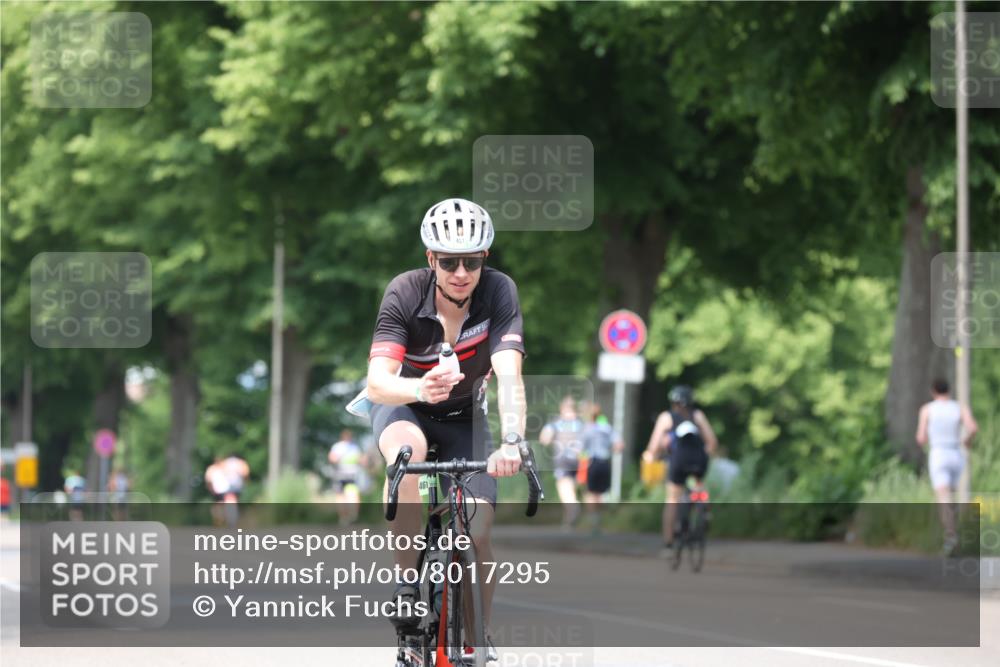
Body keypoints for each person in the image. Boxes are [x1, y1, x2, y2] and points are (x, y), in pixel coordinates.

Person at [365, 197, 527, 662]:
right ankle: (409, 582)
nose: (461, 272)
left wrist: (514, 438)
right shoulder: (404, 291)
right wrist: (418, 387)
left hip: (465, 418)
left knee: (478, 533)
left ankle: (479, 636)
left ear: (485, 261)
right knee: (407, 458)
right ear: (431, 259)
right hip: (406, 408)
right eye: (450, 261)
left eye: (471, 261)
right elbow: (377, 384)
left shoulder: (499, 293)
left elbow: (510, 376)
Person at [642, 385, 718, 552]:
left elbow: (654, 446)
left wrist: (651, 455)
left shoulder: (667, 417)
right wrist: (704, 454)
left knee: (672, 499)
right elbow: (712, 442)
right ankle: (703, 506)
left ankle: (668, 544)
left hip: (678, 460)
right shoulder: (698, 415)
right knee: (698, 483)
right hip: (699, 459)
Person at [916, 378, 978, 554]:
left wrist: (929, 438)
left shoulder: (927, 409)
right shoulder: (959, 407)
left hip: (939, 453)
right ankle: (957, 532)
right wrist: (966, 441)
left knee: (944, 499)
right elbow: (972, 428)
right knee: (953, 497)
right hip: (956, 453)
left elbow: (921, 438)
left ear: (933, 391)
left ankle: (950, 537)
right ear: (948, 390)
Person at [539, 396, 586, 530]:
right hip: (579, 459)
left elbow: (544, 438)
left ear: (562, 409)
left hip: (562, 458)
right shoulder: (581, 423)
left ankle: (573, 505)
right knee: (574, 488)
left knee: (565, 487)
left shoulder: (556, 422)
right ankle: (568, 522)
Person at [580, 404, 624, 533]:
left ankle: (594, 522)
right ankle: (599, 518)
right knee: (600, 493)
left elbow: (580, 448)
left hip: (592, 462)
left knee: (590, 493)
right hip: (605, 462)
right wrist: (609, 450)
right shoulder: (607, 428)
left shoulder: (587, 429)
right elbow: (620, 445)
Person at [328, 429, 364, 525]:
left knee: (346, 496)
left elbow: (332, 458)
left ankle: (348, 517)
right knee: (346, 496)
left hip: (346, 475)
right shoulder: (352, 447)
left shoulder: (340, 447)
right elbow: (361, 460)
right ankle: (348, 517)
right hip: (344, 475)